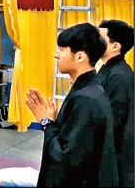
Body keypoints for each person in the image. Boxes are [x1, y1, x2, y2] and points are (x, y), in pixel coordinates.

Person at [25, 23, 118, 187]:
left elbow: (66, 158)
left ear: (80, 57)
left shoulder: (86, 99)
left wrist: (46, 122)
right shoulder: (90, 90)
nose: (56, 55)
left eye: (61, 49)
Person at [97, 19, 134, 188]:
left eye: (100, 38)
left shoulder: (119, 76)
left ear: (115, 46)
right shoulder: (108, 69)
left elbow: (111, 121)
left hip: (117, 160)